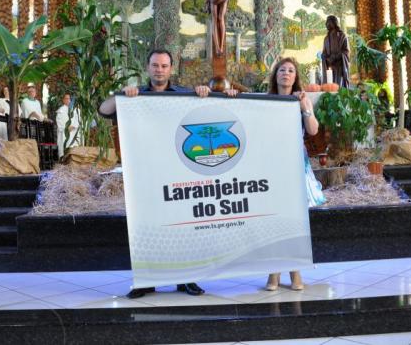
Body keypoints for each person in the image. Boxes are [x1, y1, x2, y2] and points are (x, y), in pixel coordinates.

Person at [99, 49, 237, 299]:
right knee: (146, 226)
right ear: (148, 67)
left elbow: (217, 108)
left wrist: (211, 94)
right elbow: (104, 109)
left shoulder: (184, 94)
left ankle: (187, 279)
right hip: (146, 173)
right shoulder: (136, 96)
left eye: (164, 66)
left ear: (171, 69)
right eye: (155, 65)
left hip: (178, 172)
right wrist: (122, 94)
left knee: (183, 226)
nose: (159, 70)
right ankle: (147, 280)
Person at [264, 57, 326, 292]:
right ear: (276, 75)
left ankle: (295, 271)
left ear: (295, 76)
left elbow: (313, 130)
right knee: (275, 217)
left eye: (291, 70)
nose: (286, 73)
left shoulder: (301, 100)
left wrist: (305, 109)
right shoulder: (265, 101)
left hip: (295, 163)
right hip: (272, 164)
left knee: (295, 218)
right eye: (282, 70)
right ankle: (273, 272)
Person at [321, 15, 350, 87]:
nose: (326, 24)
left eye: (328, 22)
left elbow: (346, 51)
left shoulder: (342, 36)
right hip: (329, 68)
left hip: (339, 67)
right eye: (326, 22)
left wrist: (335, 57)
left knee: (339, 87)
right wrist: (324, 57)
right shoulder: (326, 38)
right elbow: (324, 52)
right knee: (330, 87)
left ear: (334, 23)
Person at [56, 93, 80, 159]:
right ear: (63, 100)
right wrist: (66, 128)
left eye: (69, 99)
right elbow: (59, 122)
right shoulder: (60, 110)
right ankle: (63, 159)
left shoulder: (76, 110)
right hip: (64, 132)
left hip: (74, 131)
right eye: (66, 98)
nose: (67, 100)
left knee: (74, 146)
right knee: (65, 146)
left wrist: (74, 126)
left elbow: (79, 120)